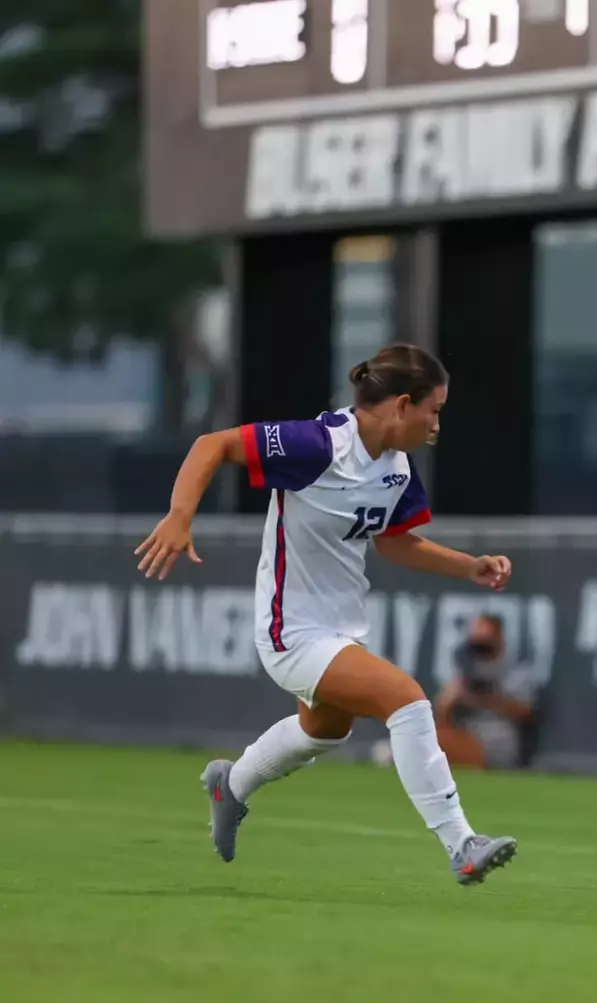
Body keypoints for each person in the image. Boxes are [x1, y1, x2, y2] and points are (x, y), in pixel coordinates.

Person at [134, 343, 519, 886]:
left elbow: (395, 544)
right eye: (434, 410)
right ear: (402, 404)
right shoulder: (317, 444)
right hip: (289, 632)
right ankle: (462, 845)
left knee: (325, 728)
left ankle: (232, 785)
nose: (437, 424)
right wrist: (179, 517)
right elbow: (212, 445)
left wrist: (470, 567)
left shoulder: (397, 467)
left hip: (338, 631)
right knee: (407, 702)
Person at [433, 612, 540, 770]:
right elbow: (441, 716)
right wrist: (453, 698)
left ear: (499, 639)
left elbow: (526, 712)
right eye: (477, 643)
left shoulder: (515, 671)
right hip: (466, 731)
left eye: (486, 642)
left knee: (442, 750)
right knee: (435, 740)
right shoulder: (465, 672)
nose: (482, 649)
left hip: (498, 737)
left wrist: (486, 699)